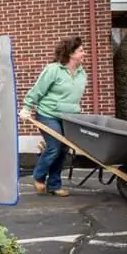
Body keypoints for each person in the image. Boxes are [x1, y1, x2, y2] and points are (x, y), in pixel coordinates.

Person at [19, 35, 88, 197]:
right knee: (55, 145)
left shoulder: (81, 73)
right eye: (81, 51)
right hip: (48, 114)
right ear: (71, 53)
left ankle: (54, 185)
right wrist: (27, 107)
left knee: (63, 150)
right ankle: (39, 176)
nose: (84, 53)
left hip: (69, 117)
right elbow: (38, 89)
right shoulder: (53, 70)